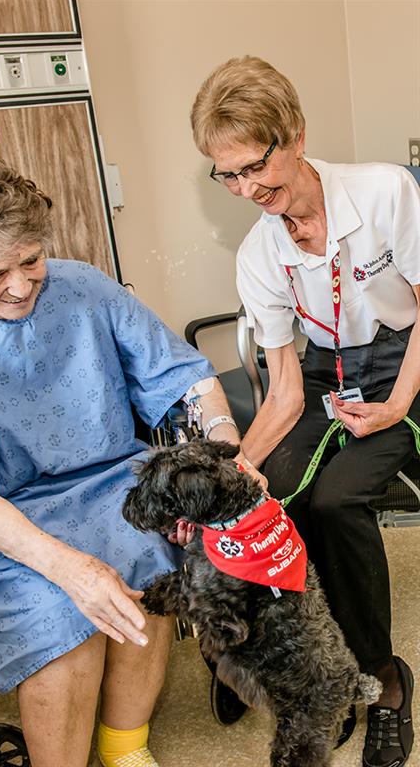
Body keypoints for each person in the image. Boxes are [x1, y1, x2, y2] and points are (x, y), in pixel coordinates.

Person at [0, 157, 262, 767]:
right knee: (58, 612)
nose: (20, 285)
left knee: (149, 567)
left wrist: (226, 448)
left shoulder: (83, 286)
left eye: (30, 260)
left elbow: (186, 377)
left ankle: (125, 748)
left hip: (103, 482)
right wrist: (77, 572)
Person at [191, 55, 419, 767]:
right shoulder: (260, 252)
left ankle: (384, 678)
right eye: (225, 175)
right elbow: (286, 389)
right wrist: (236, 472)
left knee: (339, 497)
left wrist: (397, 406)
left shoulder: (383, 193)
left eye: (254, 166)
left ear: (293, 132)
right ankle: (308, 671)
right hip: (324, 373)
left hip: (403, 362)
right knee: (275, 500)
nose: (245, 188)